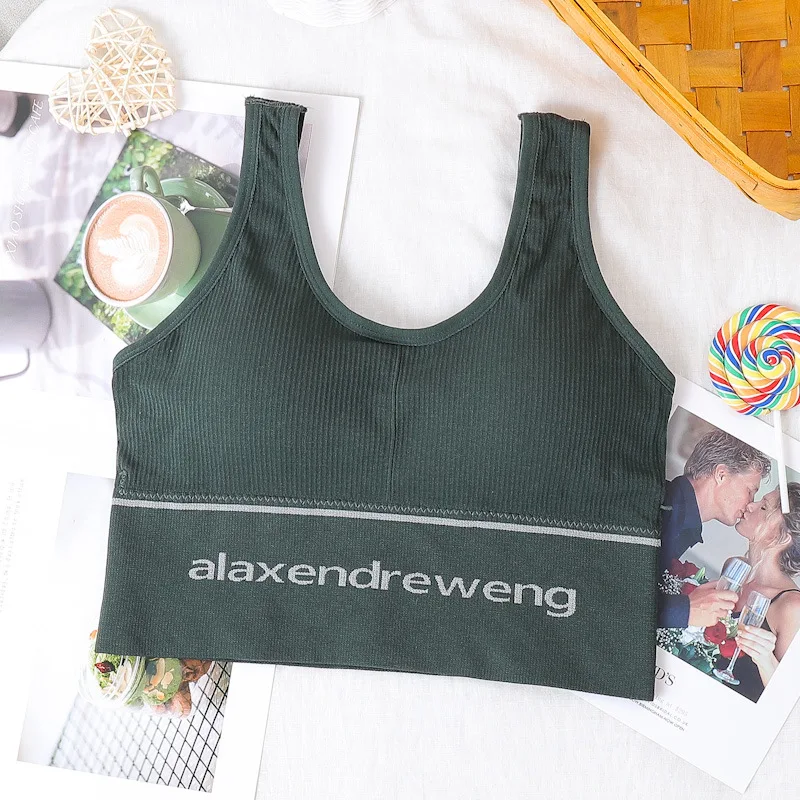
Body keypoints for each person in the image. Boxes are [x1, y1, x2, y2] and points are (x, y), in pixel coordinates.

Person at [658, 430, 771, 629]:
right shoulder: (659, 508)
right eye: (750, 491)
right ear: (721, 475)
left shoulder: (676, 514)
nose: (750, 504)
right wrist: (686, 610)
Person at [721, 482, 800, 702]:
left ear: (782, 537)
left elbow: (789, 701)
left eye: (763, 507)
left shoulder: (792, 606)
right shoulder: (733, 567)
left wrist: (765, 659)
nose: (750, 505)